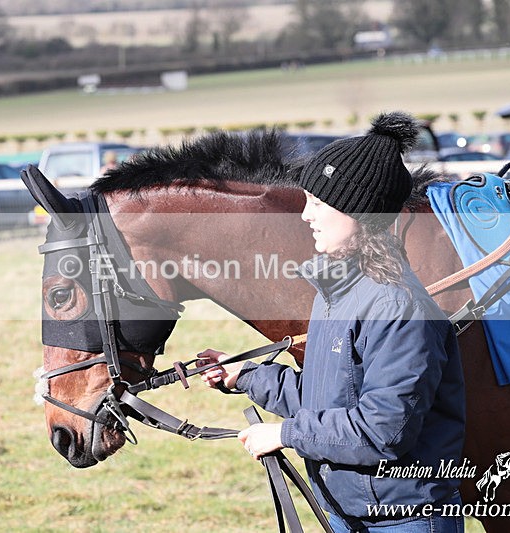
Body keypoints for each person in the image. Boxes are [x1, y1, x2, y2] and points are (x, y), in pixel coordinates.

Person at [198, 112, 466, 532]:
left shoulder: (398, 308)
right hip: (348, 512)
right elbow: (328, 397)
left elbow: (383, 430)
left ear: (362, 213)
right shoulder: (336, 294)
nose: (307, 215)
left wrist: (285, 435)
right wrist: (244, 375)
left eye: (319, 203)